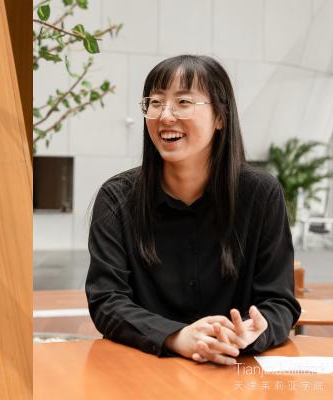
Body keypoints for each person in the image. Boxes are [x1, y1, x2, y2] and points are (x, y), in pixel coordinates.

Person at [85, 54, 301, 366]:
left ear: (220, 117)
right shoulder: (117, 198)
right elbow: (107, 301)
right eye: (155, 102)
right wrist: (177, 337)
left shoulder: (260, 194)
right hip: (145, 371)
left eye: (183, 102)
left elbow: (279, 301)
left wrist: (251, 332)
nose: (165, 115)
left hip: (233, 370)